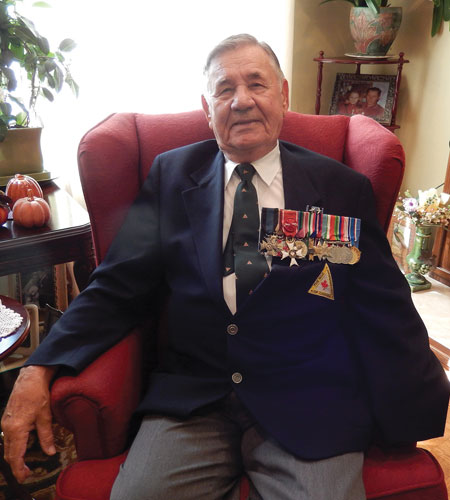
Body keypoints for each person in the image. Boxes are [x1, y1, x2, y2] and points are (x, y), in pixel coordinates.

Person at [2, 34, 449, 500]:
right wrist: (40, 366)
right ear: (206, 106)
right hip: (193, 402)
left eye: (256, 84)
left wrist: (414, 405)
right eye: (224, 89)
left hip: (308, 401)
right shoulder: (170, 176)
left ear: (283, 95)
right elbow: (117, 285)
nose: (241, 101)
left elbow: (382, 303)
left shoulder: (340, 190)